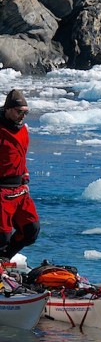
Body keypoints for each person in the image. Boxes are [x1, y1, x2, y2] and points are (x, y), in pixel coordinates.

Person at [0, 90, 40, 261]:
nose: (23, 116)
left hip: (20, 190)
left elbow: (20, 155)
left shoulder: (22, 130)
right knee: (2, 237)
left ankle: (4, 259)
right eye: (19, 112)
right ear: (8, 109)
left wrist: (24, 174)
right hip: (1, 190)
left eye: (26, 112)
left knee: (31, 229)